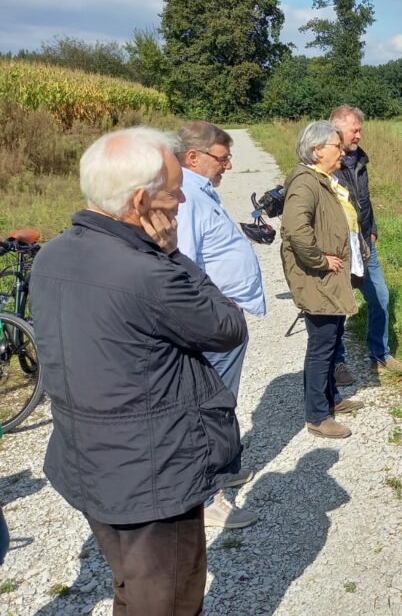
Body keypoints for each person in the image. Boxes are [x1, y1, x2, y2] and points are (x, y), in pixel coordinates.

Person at [31, 127, 248, 614]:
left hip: (91, 460)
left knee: (133, 582)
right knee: (169, 596)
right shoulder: (146, 273)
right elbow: (228, 326)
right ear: (139, 201)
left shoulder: (53, 255)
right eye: (174, 193)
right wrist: (175, 256)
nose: (180, 205)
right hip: (153, 475)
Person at [175, 120, 265, 529]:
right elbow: (185, 265)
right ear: (193, 157)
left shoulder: (199, 191)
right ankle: (207, 496)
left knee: (222, 401)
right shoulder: (186, 198)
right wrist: (218, 307)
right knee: (209, 406)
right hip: (212, 320)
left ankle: (225, 468)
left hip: (223, 317)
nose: (227, 166)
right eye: (222, 158)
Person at [280, 120, 369, 440]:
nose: (343, 152)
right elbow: (294, 228)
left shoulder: (321, 178)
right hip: (318, 277)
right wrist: (319, 259)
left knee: (332, 339)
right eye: (337, 147)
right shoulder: (305, 182)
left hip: (330, 277)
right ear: (317, 150)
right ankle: (317, 415)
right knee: (322, 344)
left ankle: (330, 399)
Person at [328, 106, 402, 383]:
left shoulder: (360, 161)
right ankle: (337, 362)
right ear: (338, 130)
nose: (360, 135)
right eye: (355, 130)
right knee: (339, 306)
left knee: (381, 298)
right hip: (339, 248)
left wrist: (372, 229)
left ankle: (380, 352)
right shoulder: (325, 164)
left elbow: (365, 199)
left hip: (365, 244)